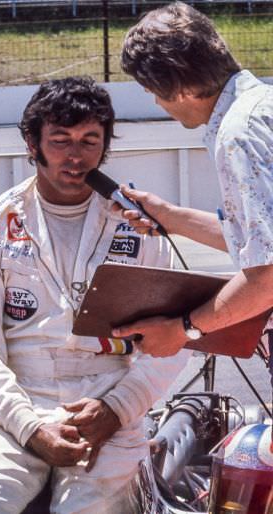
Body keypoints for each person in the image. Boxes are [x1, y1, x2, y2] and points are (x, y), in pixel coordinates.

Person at [0, 77, 190, 513]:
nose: (75, 157)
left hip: (109, 402)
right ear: (31, 144)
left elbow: (170, 346)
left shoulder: (138, 226)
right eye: (60, 141)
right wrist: (29, 427)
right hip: (14, 406)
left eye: (89, 140)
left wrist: (115, 408)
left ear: (105, 146)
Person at [114, 2, 273, 358]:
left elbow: (267, 278)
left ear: (179, 86)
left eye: (152, 90)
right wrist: (170, 217)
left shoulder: (238, 135)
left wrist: (184, 328)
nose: (156, 103)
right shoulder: (263, 107)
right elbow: (261, 243)